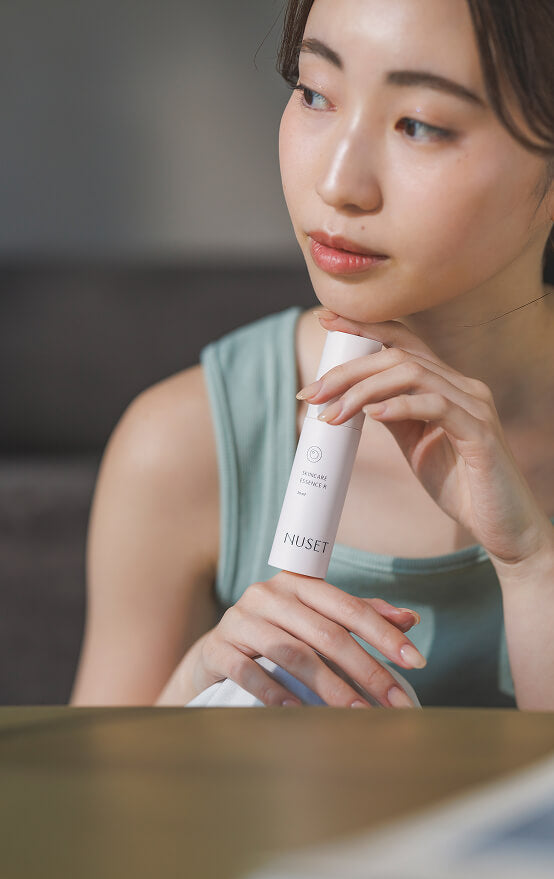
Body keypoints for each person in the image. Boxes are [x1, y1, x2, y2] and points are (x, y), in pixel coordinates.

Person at [69, 0, 554, 711]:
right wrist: (197, 681)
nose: (338, 183)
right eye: (315, 92)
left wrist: (533, 565)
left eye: (419, 124)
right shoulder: (183, 444)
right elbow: (89, 785)